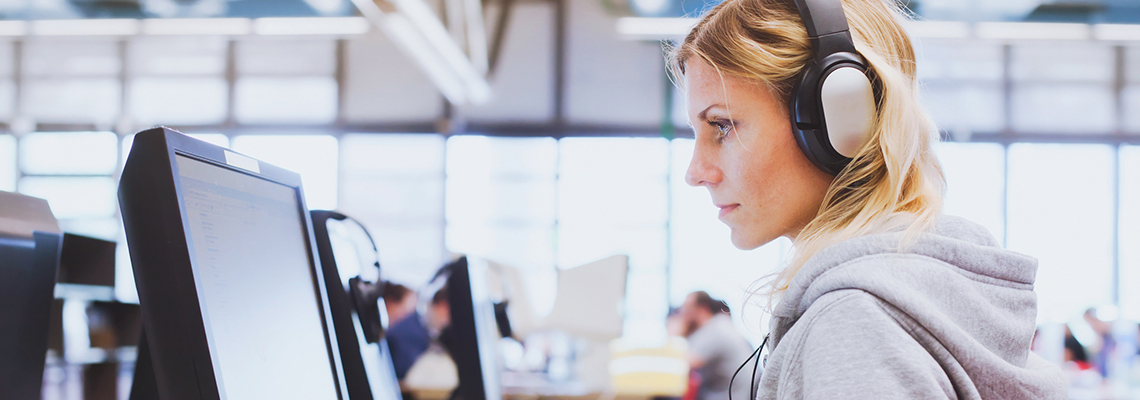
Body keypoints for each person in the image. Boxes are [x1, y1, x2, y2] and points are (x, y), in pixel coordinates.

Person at [668, 0, 1067, 398]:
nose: (695, 172)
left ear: (839, 117)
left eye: (722, 126)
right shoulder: (928, 292)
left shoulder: (853, 324)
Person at [679, 291, 755, 400]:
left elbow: (684, 364)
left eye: (687, 307)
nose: (682, 312)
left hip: (728, 395)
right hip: (736, 392)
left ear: (701, 308)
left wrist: (676, 333)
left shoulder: (714, 330)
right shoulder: (719, 324)